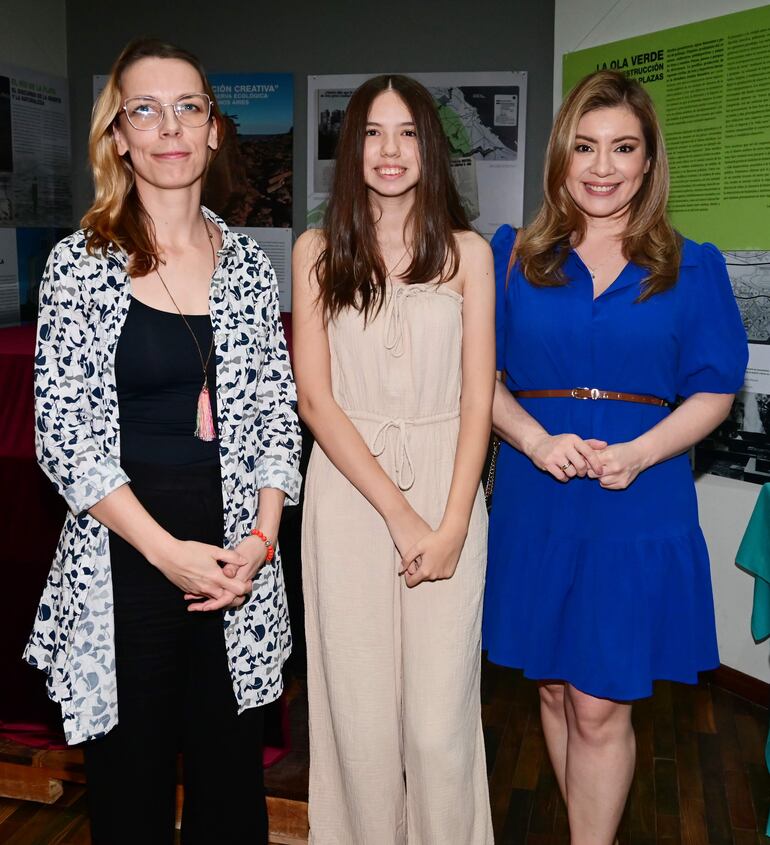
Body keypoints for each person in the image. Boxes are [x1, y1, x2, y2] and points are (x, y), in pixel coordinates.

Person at [24, 38, 301, 845]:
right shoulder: (79, 265)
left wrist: (262, 535)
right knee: (129, 794)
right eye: (144, 109)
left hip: (236, 567)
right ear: (118, 135)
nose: (168, 127)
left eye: (188, 107)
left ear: (214, 129)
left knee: (228, 792)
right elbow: (64, 435)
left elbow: (279, 417)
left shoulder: (249, 266)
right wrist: (165, 551)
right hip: (126, 560)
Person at [483, 69, 748, 843]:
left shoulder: (692, 265)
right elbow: (480, 384)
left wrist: (639, 452)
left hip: (639, 495)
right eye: (586, 147)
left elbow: (713, 391)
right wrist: (532, 438)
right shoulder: (512, 257)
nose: (602, 168)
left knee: (602, 700)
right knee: (558, 690)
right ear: (562, 156)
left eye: (623, 148)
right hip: (539, 494)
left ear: (648, 159)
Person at [292, 74, 495, 843]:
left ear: (430, 147)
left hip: (450, 487)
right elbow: (316, 401)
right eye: (373, 133)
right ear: (351, 150)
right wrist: (401, 514)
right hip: (349, 491)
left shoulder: (469, 254)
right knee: (361, 714)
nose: (389, 150)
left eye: (407, 132)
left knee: (439, 725)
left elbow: (479, 400)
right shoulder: (317, 251)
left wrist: (446, 524)